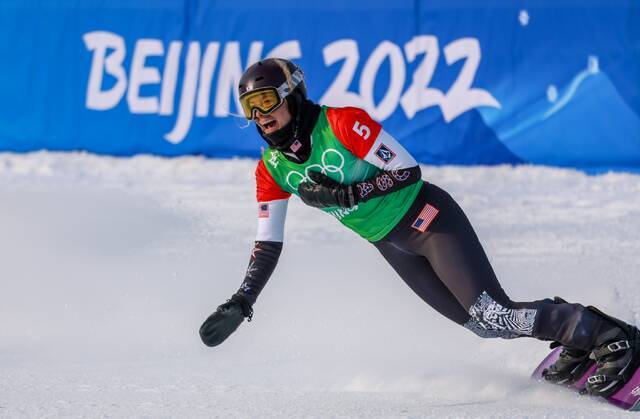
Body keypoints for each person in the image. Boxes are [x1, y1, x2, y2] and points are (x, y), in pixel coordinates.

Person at [199, 58, 639, 398]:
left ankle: (603, 335)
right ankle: (571, 335)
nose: (259, 116)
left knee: (494, 312)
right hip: (393, 246)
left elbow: (408, 171)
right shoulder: (271, 168)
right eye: (249, 109)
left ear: (292, 96)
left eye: (266, 102)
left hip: (428, 218)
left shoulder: (341, 123)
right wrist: (243, 300)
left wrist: (348, 195)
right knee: (483, 325)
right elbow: (268, 243)